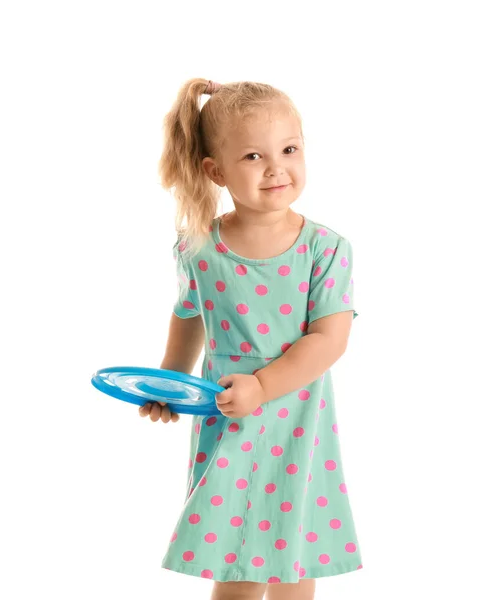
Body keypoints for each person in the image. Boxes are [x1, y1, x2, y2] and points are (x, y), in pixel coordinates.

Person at [139, 78, 363, 600]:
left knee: (293, 551)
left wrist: (263, 385)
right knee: (236, 557)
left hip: (296, 414)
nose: (276, 168)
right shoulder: (200, 246)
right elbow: (189, 314)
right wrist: (168, 379)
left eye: (289, 149)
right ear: (215, 171)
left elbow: (329, 338)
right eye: (253, 156)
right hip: (228, 414)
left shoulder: (324, 249)